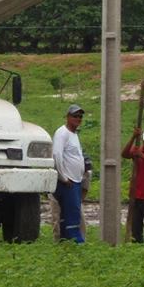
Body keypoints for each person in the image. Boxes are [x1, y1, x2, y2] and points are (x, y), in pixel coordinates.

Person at [52, 103, 87, 243]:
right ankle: (76, 243)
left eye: (80, 117)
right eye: (75, 116)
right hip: (68, 182)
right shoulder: (62, 133)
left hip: (75, 181)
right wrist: (63, 177)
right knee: (72, 215)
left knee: (68, 215)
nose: (78, 119)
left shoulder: (74, 134)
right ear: (68, 117)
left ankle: (65, 242)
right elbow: (56, 155)